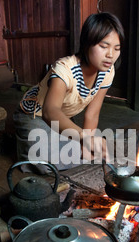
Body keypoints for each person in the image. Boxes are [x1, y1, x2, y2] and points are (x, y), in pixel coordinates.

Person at [13, 12, 125, 173]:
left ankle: (34, 142)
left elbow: (92, 114)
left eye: (117, 49)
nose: (110, 55)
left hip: (61, 118)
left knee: (86, 152)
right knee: (48, 164)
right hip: (34, 114)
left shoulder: (107, 71)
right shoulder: (65, 69)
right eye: (103, 46)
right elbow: (50, 112)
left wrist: (87, 146)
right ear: (87, 44)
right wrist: (85, 139)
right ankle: (23, 143)